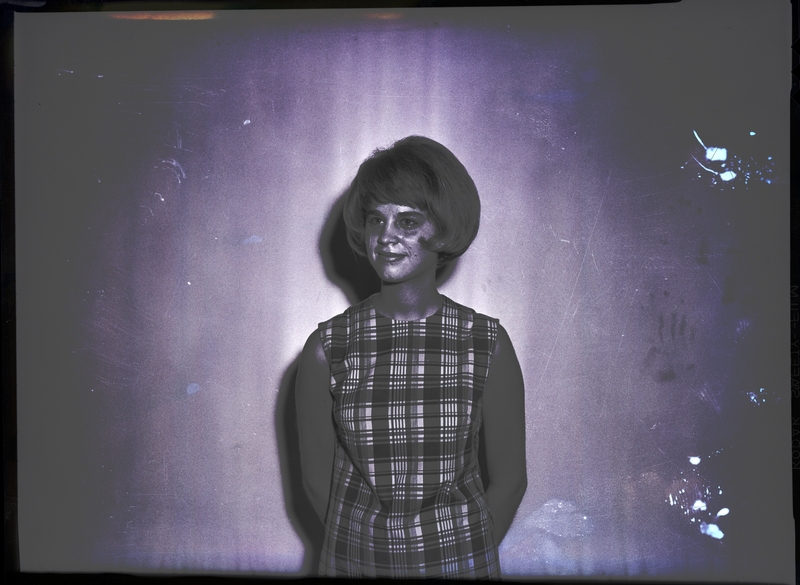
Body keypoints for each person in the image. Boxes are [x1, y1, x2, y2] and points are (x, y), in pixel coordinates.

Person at [295, 136, 527, 579]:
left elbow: (510, 478)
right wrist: (371, 554)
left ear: (442, 228)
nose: (386, 237)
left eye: (408, 221)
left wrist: (457, 555)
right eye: (375, 220)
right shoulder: (328, 347)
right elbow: (315, 481)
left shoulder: (486, 343)